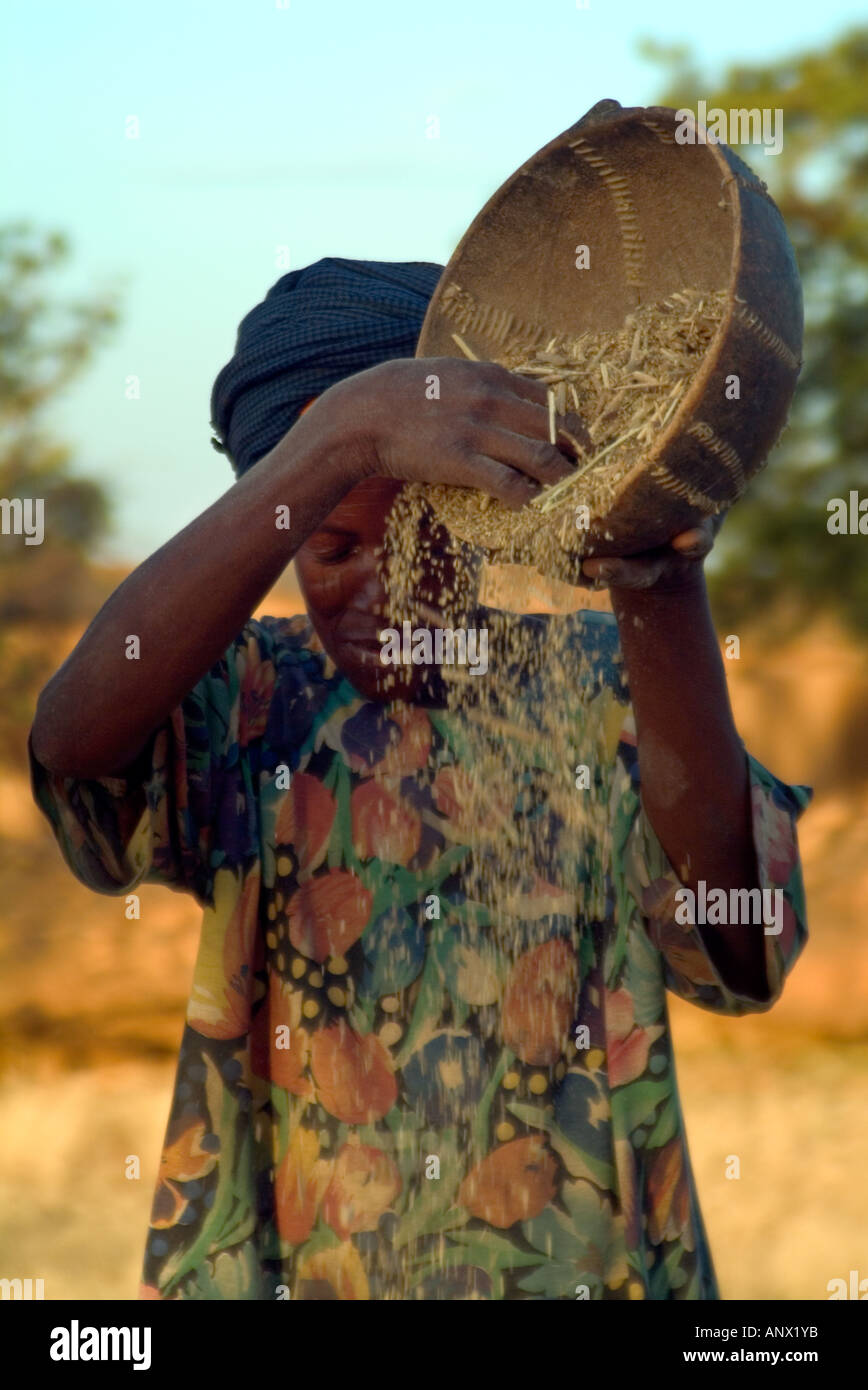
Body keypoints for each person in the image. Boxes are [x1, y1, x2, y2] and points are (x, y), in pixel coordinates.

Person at [28, 257, 812, 1301]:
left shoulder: (592, 686)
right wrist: (336, 439)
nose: (387, 587)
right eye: (333, 546)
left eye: (427, 535)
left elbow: (734, 929)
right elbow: (72, 743)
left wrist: (656, 577)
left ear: (490, 520)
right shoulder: (254, 700)